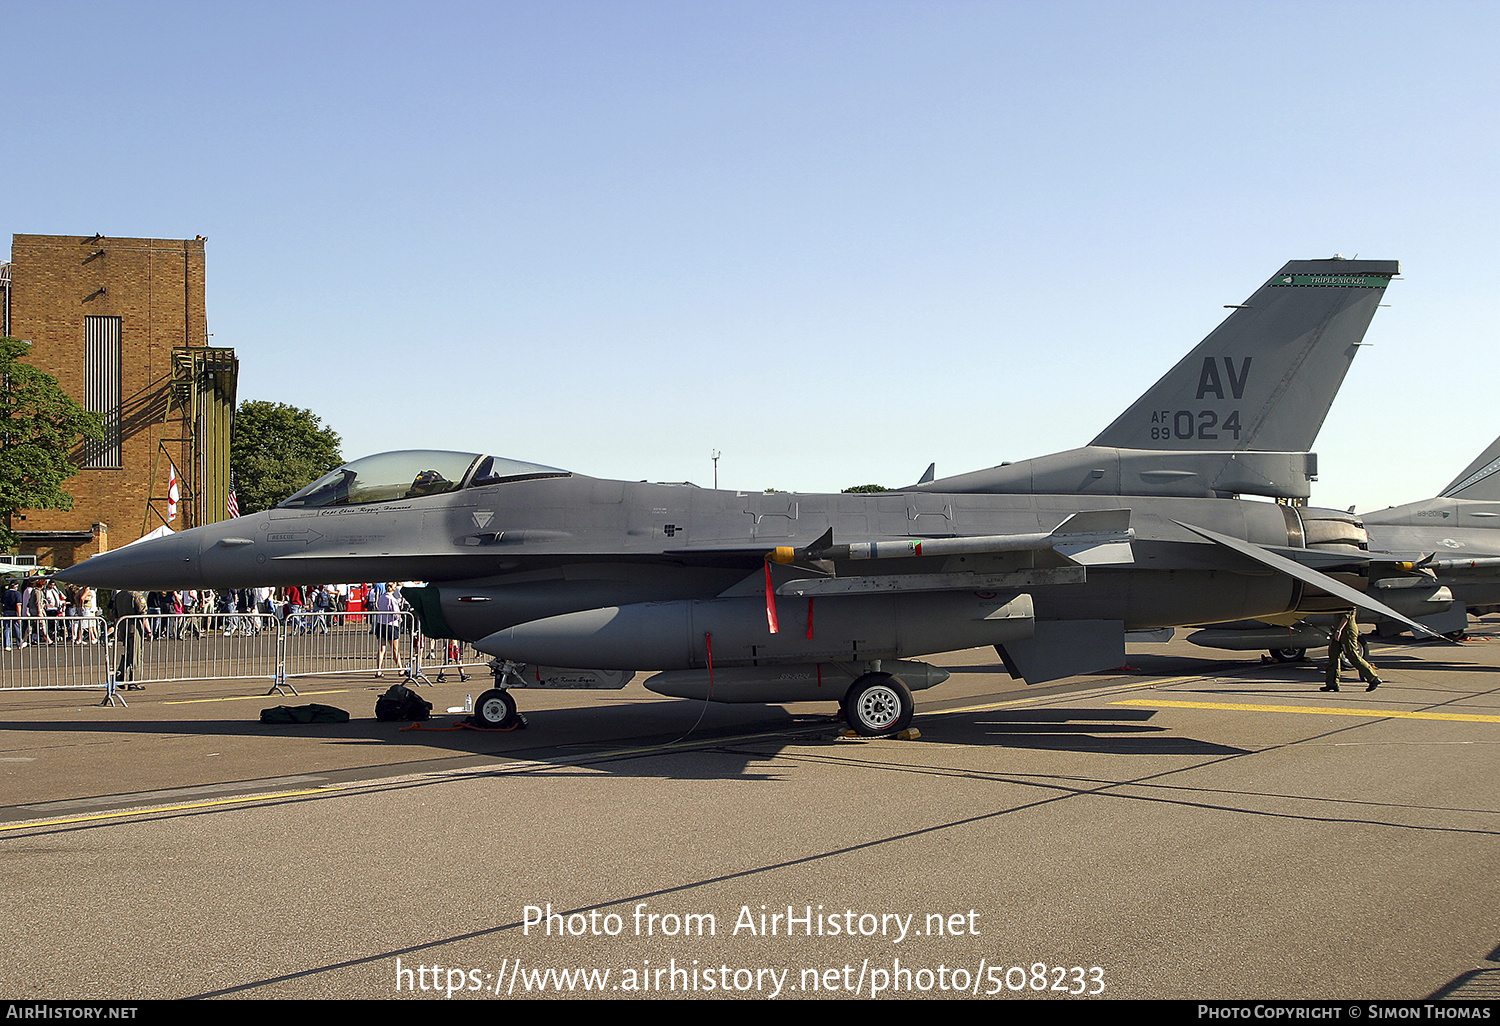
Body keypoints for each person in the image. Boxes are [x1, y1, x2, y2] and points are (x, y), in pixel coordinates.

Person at [1321, 609, 1382, 692]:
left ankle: (1373, 678)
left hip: (1347, 631)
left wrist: (1339, 630)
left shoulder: (1347, 601)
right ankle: (1332, 683)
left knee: (1351, 655)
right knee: (1333, 654)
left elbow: (1346, 617)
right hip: (1338, 629)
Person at [372, 583, 402, 677]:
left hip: (381, 624)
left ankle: (378, 669)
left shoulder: (381, 597)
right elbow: (396, 614)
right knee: (395, 649)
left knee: (381, 648)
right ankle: (400, 669)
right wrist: (399, 618)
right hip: (391, 625)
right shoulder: (392, 599)